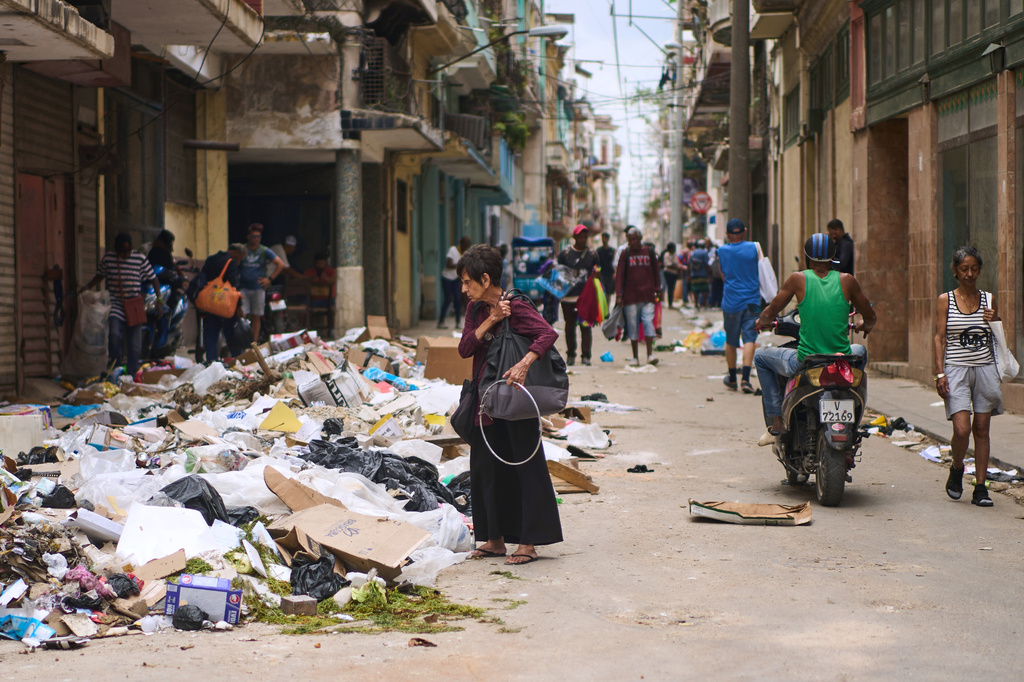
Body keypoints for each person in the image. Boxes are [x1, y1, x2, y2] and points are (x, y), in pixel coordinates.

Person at [456, 244, 562, 565]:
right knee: (486, 468)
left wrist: (525, 363)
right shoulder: (476, 311)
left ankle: (528, 544)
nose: (463, 289)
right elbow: (464, 348)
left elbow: (547, 334)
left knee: (525, 467)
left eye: (467, 282)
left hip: (515, 401)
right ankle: (495, 539)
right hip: (485, 401)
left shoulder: (516, 305)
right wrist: (490, 321)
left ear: (486, 279)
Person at [753, 233, 876, 444]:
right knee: (859, 352)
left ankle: (776, 421)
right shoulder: (847, 281)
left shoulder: (797, 279)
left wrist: (762, 320)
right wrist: (866, 324)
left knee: (760, 357)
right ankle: (853, 402)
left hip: (807, 361)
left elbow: (772, 309)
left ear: (806, 256)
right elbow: (870, 317)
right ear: (832, 257)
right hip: (840, 361)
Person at [934, 246, 1000, 507]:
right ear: (955, 271)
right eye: (964, 269)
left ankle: (981, 487)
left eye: (974, 269)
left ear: (979, 271)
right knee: (962, 429)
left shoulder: (989, 299)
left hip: (985, 368)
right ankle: (957, 467)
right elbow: (939, 338)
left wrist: (996, 319)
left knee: (982, 429)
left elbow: (998, 333)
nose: (970, 274)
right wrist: (940, 372)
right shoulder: (945, 300)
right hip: (956, 370)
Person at [79, 233, 162, 377]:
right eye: (122, 252)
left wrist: (159, 301)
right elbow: (100, 275)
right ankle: (116, 365)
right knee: (114, 334)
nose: (126, 254)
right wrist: (87, 287)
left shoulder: (140, 259)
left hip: (134, 303)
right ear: (116, 251)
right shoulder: (109, 259)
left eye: (128, 251)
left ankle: (131, 373)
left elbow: (154, 279)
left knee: (135, 345)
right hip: (116, 302)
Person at [717, 219, 761, 394]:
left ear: (727, 234)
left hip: (731, 301)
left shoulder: (721, 251)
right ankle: (745, 379)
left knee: (731, 340)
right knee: (750, 339)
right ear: (744, 231)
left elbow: (722, 275)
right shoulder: (754, 248)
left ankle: (732, 378)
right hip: (753, 301)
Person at [615, 227, 661, 366]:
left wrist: (658, 289)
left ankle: (650, 355)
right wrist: (619, 295)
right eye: (629, 239)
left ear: (640, 238)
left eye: (634, 239)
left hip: (647, 295)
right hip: (631, 296)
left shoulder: (649, 252)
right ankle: (635, 357)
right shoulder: (625, 254)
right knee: (633, 326)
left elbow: (656, 271)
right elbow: (620, 275)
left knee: (648, 323)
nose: (632, 242)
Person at [557, 224, 598, 366]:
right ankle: (571, 355)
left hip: (585, 298)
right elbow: (559, 274)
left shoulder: (592, 255)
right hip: (568, 297)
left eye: (585, 236)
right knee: (569, 326)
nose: (583, 239)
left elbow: (597, 273)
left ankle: (586, 356)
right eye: (580, 236)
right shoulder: (565, 254)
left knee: (586, 327)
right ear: (574, 237)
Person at [197, 244, 246, 363]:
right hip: (225, 303)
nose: (239, 262)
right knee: (230, 333)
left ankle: (211, 361)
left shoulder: (211, 259)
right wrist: (239, 306)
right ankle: (237, 360)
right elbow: (235, 285)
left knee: (211, 334)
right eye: (240, 259)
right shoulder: (231, 262)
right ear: (235, 253)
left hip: (210, 302)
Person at [239, 223, 285, 343]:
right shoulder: (242, 250)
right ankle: (243, 341)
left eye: (258, 237)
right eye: (254, 236)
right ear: (248, 237)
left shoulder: (264, 251)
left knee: (256, 316)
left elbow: (280, 264)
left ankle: (253, 343)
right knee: (242, 315)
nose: (256, 239)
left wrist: (269, 279)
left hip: (258, 288)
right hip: (243, 288)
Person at [439, 236, 472, 329]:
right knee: (447, 300)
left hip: (456, 279)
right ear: (462, 243)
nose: (467, 247)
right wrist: (459, 265)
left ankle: (458, 322)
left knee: (458, 300)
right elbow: (448, 264)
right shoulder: (453, 250)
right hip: (447, 278)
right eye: (466, 245)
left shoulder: (465, 254)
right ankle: (441, 322)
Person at [688, 239, 711, 310]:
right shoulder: (704, 253)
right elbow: (707, 264)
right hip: (703, 274)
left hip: (694, 274)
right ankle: (704, 304)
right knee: (704, 290)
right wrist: (709, 275)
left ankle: (696, 304)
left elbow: (689, 264)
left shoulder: (693, 253)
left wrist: (688, 275)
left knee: (696, 290)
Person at [596, 231, 616, 301]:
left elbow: (615, 262)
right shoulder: (598, 251)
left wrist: (614, 272)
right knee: (602, 292)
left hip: (609, 274)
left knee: (609, 293)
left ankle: (607, 308)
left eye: (605, 238)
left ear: (608, 239)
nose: (604, 239)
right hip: (602, 274)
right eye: (603, 238)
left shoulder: (612, 250)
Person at [661, 242, 679, 309]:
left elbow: (676, 263)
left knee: (672, 288)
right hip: (668, 273)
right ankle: (669, 303)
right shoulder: (667, 255)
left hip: (674, 273)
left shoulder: (674, 254)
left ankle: (671, 303)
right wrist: (677, 267)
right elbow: (669, 265)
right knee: (669, 288)